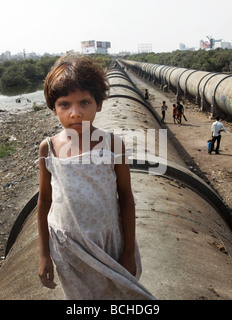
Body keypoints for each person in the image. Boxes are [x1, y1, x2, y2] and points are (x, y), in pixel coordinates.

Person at [37, 54, 155, 300]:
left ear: (99, 104)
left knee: (119, 297)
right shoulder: (48, 148)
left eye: (84, 103)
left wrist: (129, 252)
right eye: (65, 105)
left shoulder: (113, 145)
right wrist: (44, 254)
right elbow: (44, 202)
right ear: (53, 108)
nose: (75, 113)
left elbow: (126, 199)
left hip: (108, 242)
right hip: (69, 247)